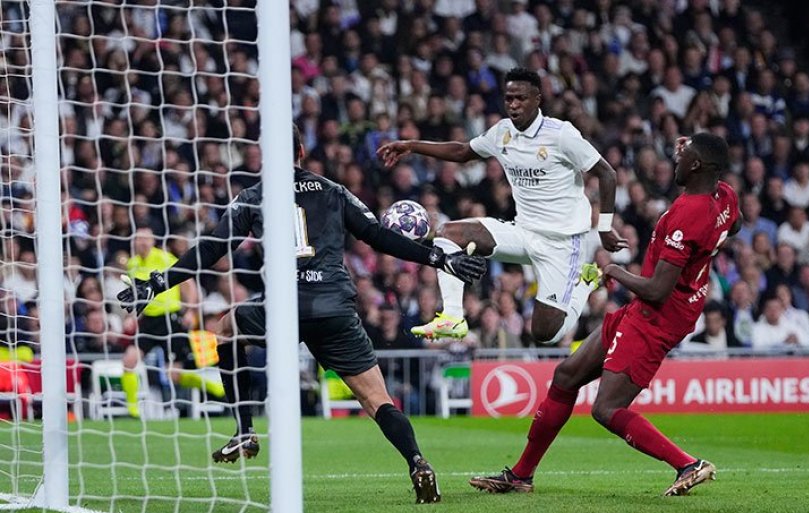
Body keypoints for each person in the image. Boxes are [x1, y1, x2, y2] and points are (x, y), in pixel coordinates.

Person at [117, 125, 487, 504]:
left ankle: (244, 429)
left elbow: (213, 247)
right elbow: (377, 235)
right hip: (334, 307)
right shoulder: (333, 190)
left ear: (266, 154)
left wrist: (159, 282)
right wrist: (438, 257)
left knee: (226, 328)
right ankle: (417, 462)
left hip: (284, 306)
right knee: (378, 399)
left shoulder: (254, 196)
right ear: (301, 151)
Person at [468, 133, 740, 497]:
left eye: (684, 156)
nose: (676, 158)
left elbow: (657, 290)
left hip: (657, 317)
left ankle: (688, 464)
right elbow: (733, 225)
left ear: (696, 166)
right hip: (657, 309)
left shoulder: (687, 213)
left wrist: (614, 271)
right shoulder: (725, 196)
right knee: (566, 375)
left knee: (607, 408)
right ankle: (521, 475)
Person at [378, 67, 627, 345]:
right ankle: (453, 317)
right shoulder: (502, 132)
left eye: (521, 98)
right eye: (509, 98)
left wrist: (605, 227)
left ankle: (585, 283)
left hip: (562, 244)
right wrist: (412, 145)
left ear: (537, 99)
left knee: (544, 334)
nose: (514, 105)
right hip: (524, 232)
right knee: (448, 233)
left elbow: (607, 173)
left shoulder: (561, 135)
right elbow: (462, 151)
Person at [122, 225, 223, 418]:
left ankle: (212, 385)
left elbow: (188, 283)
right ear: (133, 241)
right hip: (148, 321)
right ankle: (132, 409)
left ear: (153, 241)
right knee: (129, 360)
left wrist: (191, 311)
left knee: (173, 374)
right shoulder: (133, 264)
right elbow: (136, 295)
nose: (142, 242)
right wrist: (130, 317)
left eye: (146, 238)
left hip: (170, 318)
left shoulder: (165, 258)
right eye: (138, 238)